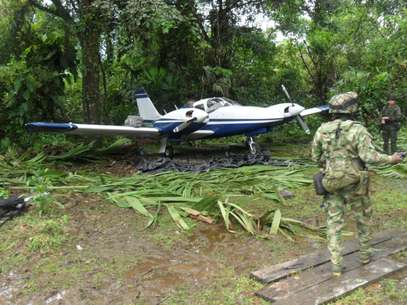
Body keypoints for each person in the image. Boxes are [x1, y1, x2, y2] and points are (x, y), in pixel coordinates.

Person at [311, 92, 403, 277]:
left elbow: (315, 157)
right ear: (352, 109)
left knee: (334, 222)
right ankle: (365, 256)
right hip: (356, 183)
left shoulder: (322, 130)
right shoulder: (358, 129)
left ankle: (336, 265)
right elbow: (369, 157)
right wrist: (392, 159)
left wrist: (330, 165)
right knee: (362, 218)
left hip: (331, 182)